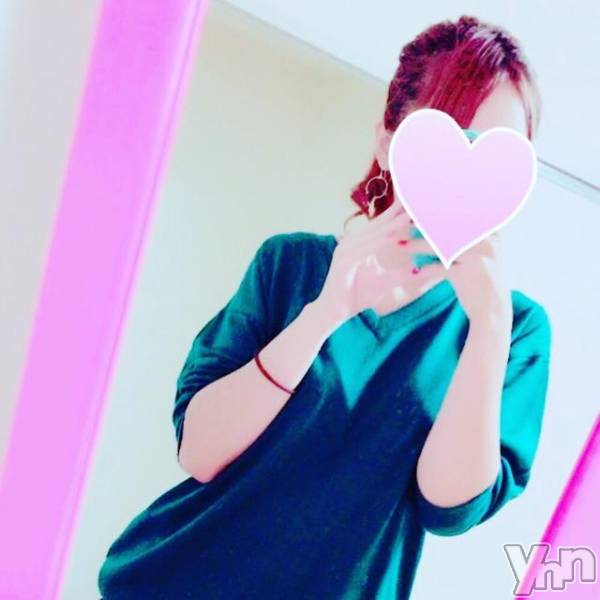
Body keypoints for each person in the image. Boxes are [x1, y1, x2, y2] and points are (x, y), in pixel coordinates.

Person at [98, 14, 551, 599]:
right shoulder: (290, 265)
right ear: (388, 139)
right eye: (449, 136)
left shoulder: (515, 329)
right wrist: (325, 311)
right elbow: (200, 451)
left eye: (496, 154)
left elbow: (448, 510)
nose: (465, 173)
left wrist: (488, 325)